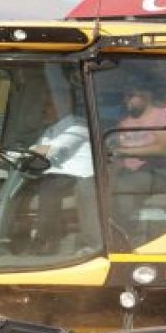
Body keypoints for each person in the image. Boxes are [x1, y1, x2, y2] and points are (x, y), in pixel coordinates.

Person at [108, 85, 166, 242]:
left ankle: (127, 235)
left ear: (146, 95)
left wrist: (121, 152)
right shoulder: (125, 122)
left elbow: (161, 149)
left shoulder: (164, 116)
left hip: (162, 172)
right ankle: (107, 230)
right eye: (124, 96)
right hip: (130, 172)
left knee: (126, 186)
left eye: (130, 95)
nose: (126, 100)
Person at [29, 96, 99, 253]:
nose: (43, 109)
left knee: (49, 188)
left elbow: (50, 149)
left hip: (79, 176)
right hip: (55, 175)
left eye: (48, 104)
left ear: (61, 106)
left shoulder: (78, 126)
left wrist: (28, 152)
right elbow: (36, 149)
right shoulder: (51, 130)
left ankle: (45, 241)